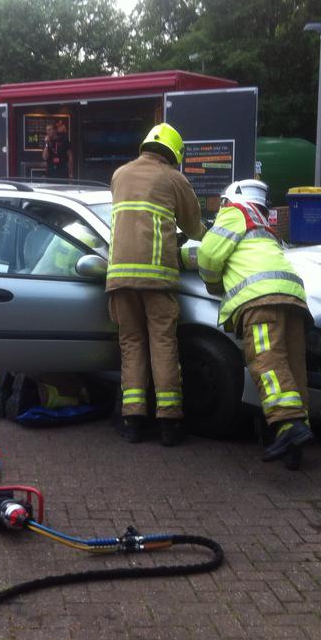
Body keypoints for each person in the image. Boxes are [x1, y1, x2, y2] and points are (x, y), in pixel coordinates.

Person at [196, 179, 312, 469]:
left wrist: (212, 283)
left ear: (228, 199)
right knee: (293, 367)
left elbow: (209, 256)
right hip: (292, 297)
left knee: (266, 360)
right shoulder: (262, 225)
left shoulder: (234, 212)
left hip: (261, 300)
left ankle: (287, 424)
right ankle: (296, 437)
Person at [106, 123, 205, 446]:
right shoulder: (174, 178)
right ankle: (169, 423)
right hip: (157, 278)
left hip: (120, 278)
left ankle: (133, 420)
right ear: (174, 153)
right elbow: (194, 229)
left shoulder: (119, 175)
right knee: (162, 343)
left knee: (131, 343)